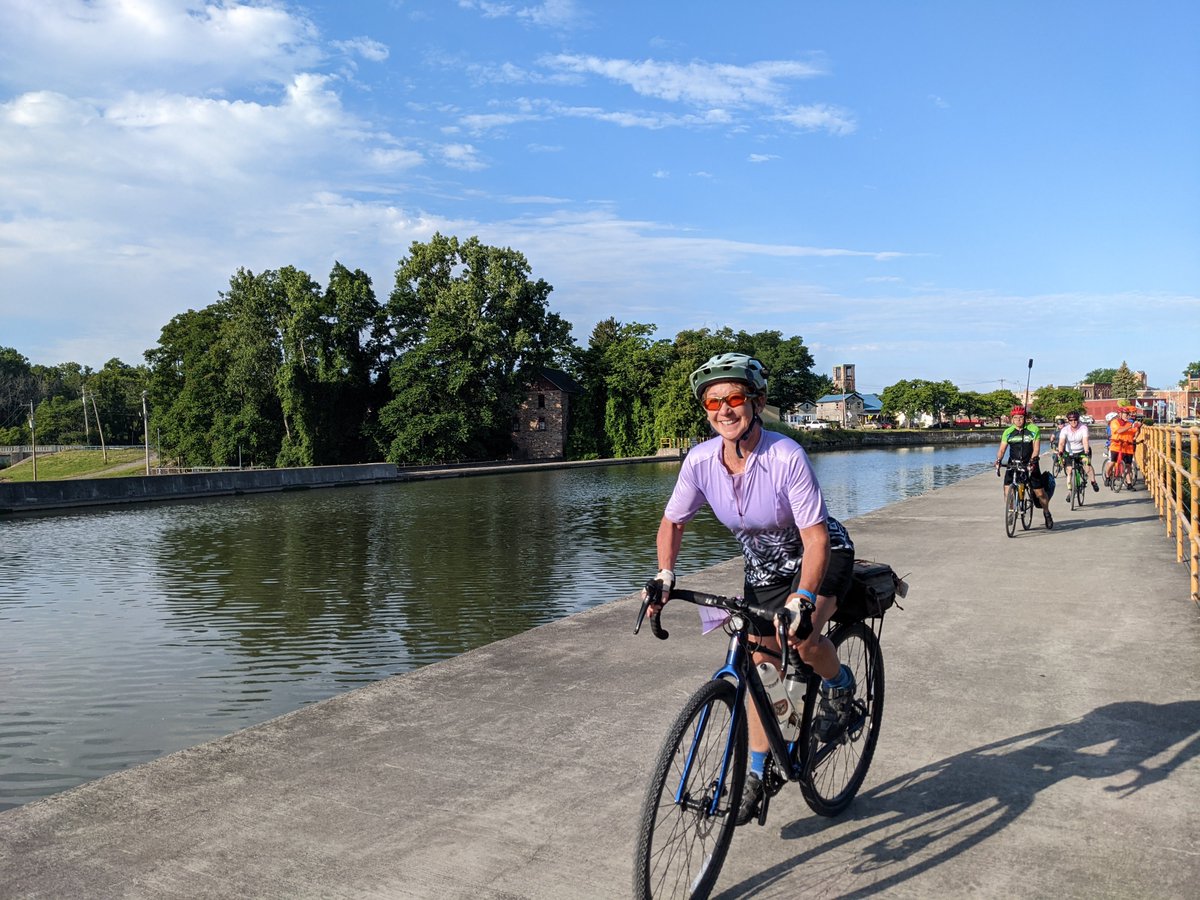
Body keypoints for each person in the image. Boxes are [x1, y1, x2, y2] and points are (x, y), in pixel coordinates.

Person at [643, 351, 856, 826]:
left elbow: (816, 537)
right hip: (762, 568)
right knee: (761, 666)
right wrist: (665, 574)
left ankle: (840, 687)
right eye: (712, 402)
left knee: (803, 638)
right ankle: (758, 773)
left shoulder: (785, 456)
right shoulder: (700, 461)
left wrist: (802, 600)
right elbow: (673, 522)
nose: (724, 410)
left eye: (735, 398)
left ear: (756, 401)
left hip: (819, 554)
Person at [994, 406, 1053, 529]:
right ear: (1012, 419)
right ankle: (1011, 511)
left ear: (1026, 418)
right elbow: (1002, 449)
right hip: (1013, 463)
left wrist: (1033, 460)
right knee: (1007, 490)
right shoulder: (1008, 432)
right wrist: (998, 460)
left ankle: (1046, 513)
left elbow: (1036, 448)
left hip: (1030, 462)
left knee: (1040, 493)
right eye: (1016, 418)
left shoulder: (1033, 429)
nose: (1019, 420)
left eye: (1021, 417)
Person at [1056, 411, 1100, 495]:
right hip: (1070, 452)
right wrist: (1060, 452)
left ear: (1078, 419)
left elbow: (1085, 441)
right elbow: (1061, 443)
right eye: (1071, 420)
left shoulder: (1083, 428)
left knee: (1087, 466)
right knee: (1069, 470)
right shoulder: (1065, 430)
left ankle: (1093, 482)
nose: (1073, 422)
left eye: (1075, 420)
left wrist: (1086, 451)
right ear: (1068, 421)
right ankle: (1070, 491)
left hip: (1082, 450)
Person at [1105, 407, 1137, 489]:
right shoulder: (1114, 422)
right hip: (1116, 446)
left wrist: (1139, 427)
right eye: (1126, 414)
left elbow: (1135, 433)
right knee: (1112, 462)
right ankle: (1107, 475)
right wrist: (1130, 427)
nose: (1127, 416)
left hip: (1128, 447)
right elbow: (1119, 431)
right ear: (1120, 414)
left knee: (1128, 466)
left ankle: (1129, 483)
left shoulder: (1129, 423)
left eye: (1128, 414)